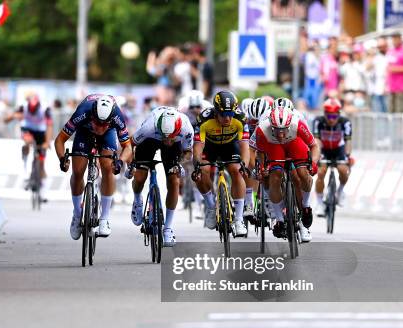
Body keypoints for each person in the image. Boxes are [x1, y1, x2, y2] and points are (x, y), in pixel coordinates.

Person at [55, 95, 133, 239]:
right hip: (84, 131)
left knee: (107, 167)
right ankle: (77, 215)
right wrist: (62, 159)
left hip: (109, 135)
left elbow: (127, 146)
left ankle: (104, 218)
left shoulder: (117, 116)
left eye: (105, 124)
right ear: (92, 116)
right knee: (78, 172)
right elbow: (59, 140)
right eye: (98, 123)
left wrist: (120, 161)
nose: (100, 128)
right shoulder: (82, 113)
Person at [128, 107, 193, 247]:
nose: (167, 140)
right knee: (140, 177)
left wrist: (180, 164)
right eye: (165, 137)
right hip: (150, 140)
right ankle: (137, 199)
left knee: (174, 181)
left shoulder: (186, 127)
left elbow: (188, 152)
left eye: (171, 137)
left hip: (174, 148)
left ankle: (168, 228)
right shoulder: (149, 127)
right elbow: (129, 144)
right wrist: (130, 164)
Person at [254, 107, 320, 242]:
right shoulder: (262, 129)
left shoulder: (298, 124)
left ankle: (306, 206)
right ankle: (279, 219)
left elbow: (314, 146)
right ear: (271, 126)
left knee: (302, 173)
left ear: (289, 125)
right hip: (274, 147)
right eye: (277, 130)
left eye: (283, 130)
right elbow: (259, 152)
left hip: (294, 143)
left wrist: (313, 162)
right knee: (275, 177)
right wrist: (263, 167)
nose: (281, 134)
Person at [192, 90, 249, 237]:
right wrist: (198, 163)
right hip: (209, 146)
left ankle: (238, 219)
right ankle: (211, 207)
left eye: (230, 114)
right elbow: (198, 146)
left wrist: (245, 164)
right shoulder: (204, 119)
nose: (228, 119)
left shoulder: (241, 118)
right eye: (224, 115)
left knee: (237, 170)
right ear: (216, 111)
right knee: (201, 173)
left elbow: (244, 146)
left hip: (230, 146)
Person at [313, 98, 352, 213]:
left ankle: (340, 191)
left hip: (338, 149)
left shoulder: (345, 122)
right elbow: (316, 140)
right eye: (329, 116)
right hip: (323, 149)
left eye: (334, 116)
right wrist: (318, 156)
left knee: (343, 170)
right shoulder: (318, 121)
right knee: (321, 172)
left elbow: (348, 141)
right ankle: (320, 203)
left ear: (339, 115)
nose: (331, 120)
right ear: (324, 114)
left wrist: (348, 156)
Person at [5, 93, 53, 179]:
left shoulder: (45, 108)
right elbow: (7, 119)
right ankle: (25, 156)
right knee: (28, 141)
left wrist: (47, 142)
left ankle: (41, 168)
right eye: (31, 111)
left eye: (34, 111)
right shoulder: (23, 106)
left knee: (42, 151)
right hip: (27, 127)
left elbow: (49, 126)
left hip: (40, 130)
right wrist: (12, 116)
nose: (33, 113)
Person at [387, 32, 403, 113]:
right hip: (392, 87)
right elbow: (388, 68)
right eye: (393, 39)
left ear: (400, 39)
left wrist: (394, 69)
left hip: (402, 88)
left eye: (396, 38)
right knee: (391, 113)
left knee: (401, 114)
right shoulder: (391, 51)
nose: (394, 40)